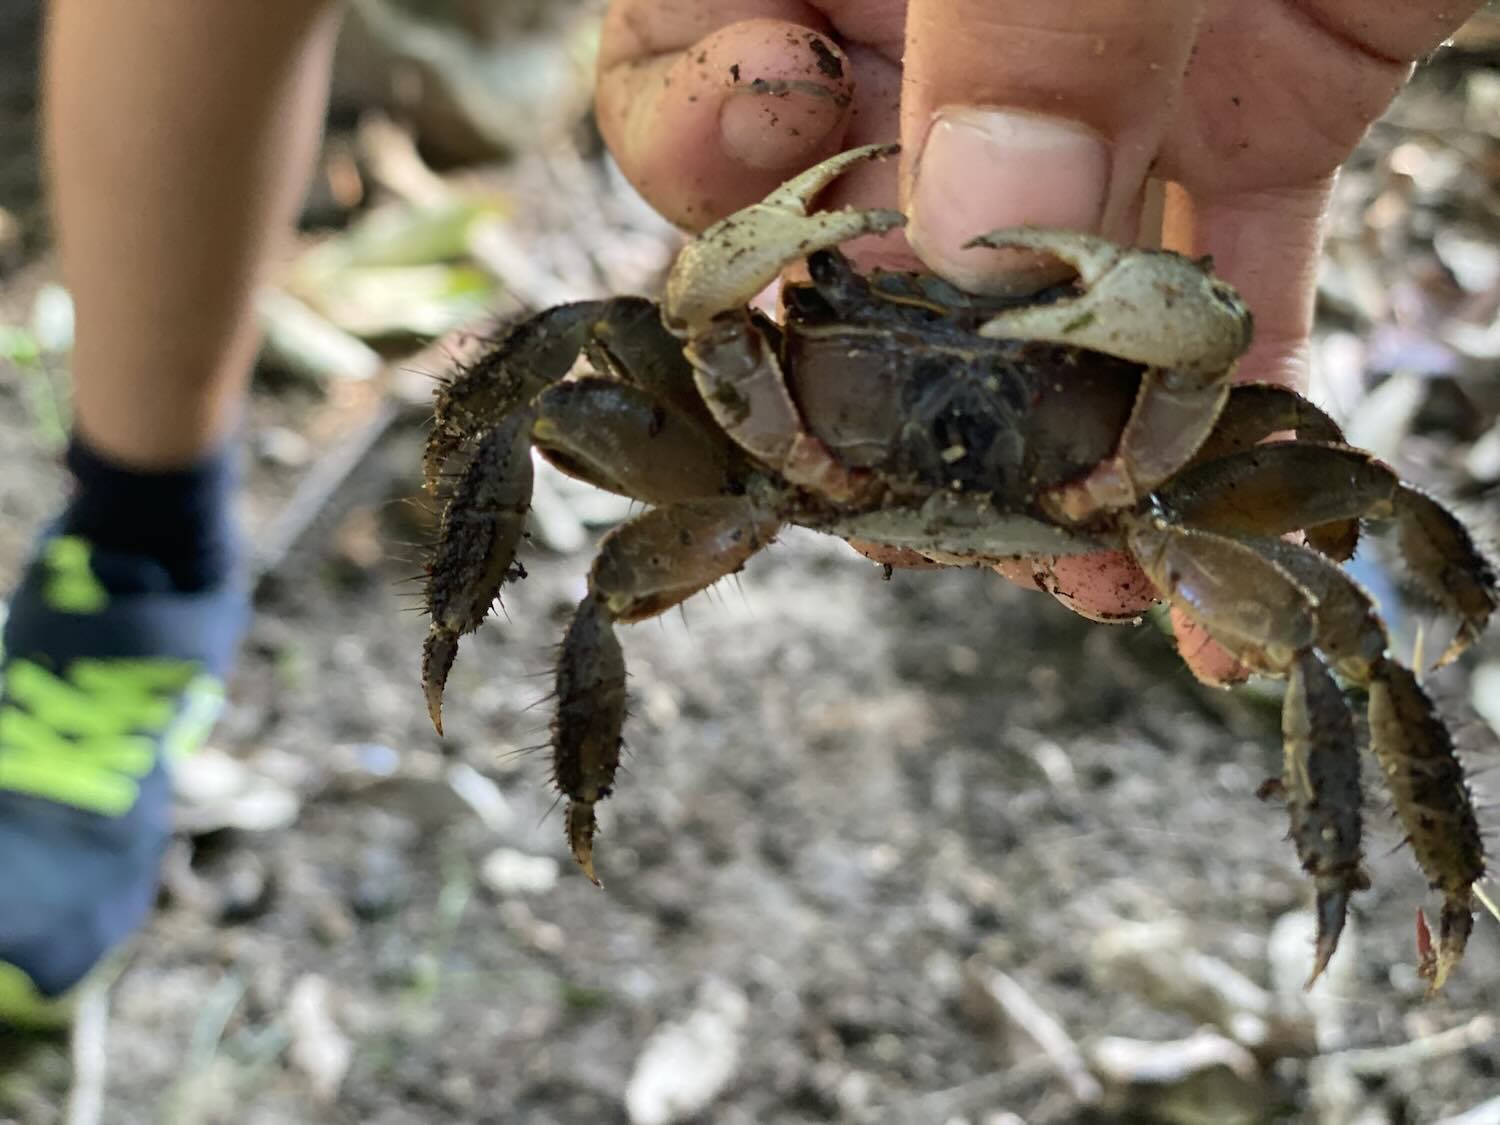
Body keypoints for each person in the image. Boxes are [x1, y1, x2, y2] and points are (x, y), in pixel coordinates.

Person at [0, 0, 1482, 1027]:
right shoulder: (752, 381)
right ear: (805, 304)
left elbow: (1289, 429)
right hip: (815, 459)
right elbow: (604, 345)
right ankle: (148, 541)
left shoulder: (1177, 434)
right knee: (563, 378)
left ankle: (1388, 866)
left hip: (1121, 491)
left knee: (1340, 624)